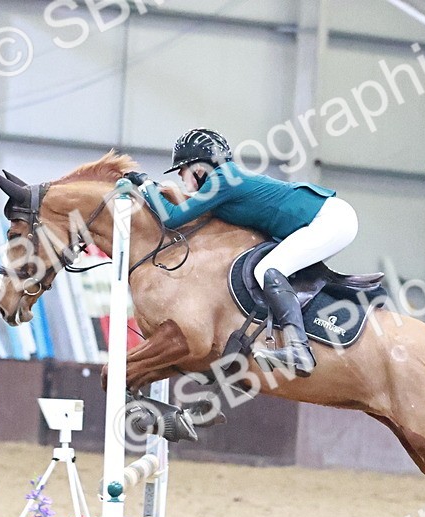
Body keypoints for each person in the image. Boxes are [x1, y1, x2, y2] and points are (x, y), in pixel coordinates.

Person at [126, 128, 359, 377]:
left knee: (269, 270)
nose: (182, 178)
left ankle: (298, 349)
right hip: (327, 219)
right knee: (273, 271)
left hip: (330, 220)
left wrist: (146, 184)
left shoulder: (222, 179)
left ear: (199, 168)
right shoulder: (223, 182)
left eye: (182, 170)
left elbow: (172, 218)